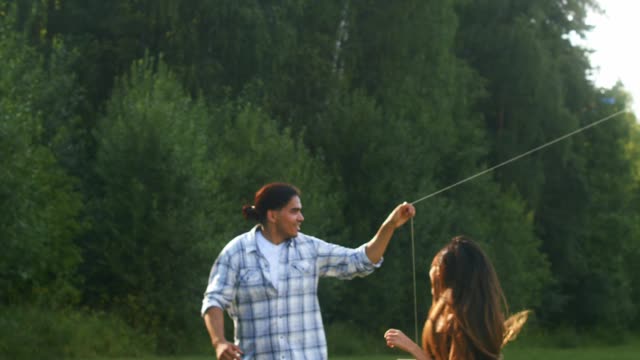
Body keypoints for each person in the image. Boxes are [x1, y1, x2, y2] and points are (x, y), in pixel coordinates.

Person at [202, 182, 416, 360]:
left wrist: (391, 225)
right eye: (294, 211)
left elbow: (361, 261)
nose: (301, 217)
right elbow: (214, 300)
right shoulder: (236, 252)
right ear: (272, 215)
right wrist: (219, 342)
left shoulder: (310, 249)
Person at [384, 236, 529, 360]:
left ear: (452, 284)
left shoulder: (455, 325)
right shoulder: (484, 319)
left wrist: (414, 349)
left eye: (436, 284)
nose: (432, 292)